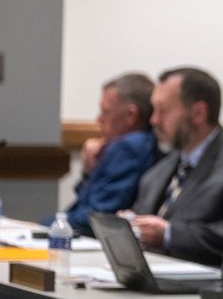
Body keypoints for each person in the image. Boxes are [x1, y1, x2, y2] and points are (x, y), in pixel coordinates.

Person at [126, 67, 223, 268]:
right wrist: (131, 225)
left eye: (163, 110)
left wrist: (169, 235)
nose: (154, 120)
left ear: (198, 112)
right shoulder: (159, 171)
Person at [48, 73, 159, 236]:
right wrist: (88, 172)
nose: (98, 119)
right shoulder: (136, 144)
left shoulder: (129, 146)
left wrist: (53, 227)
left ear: (131, 115)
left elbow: (97, 215)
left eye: (105, 112)